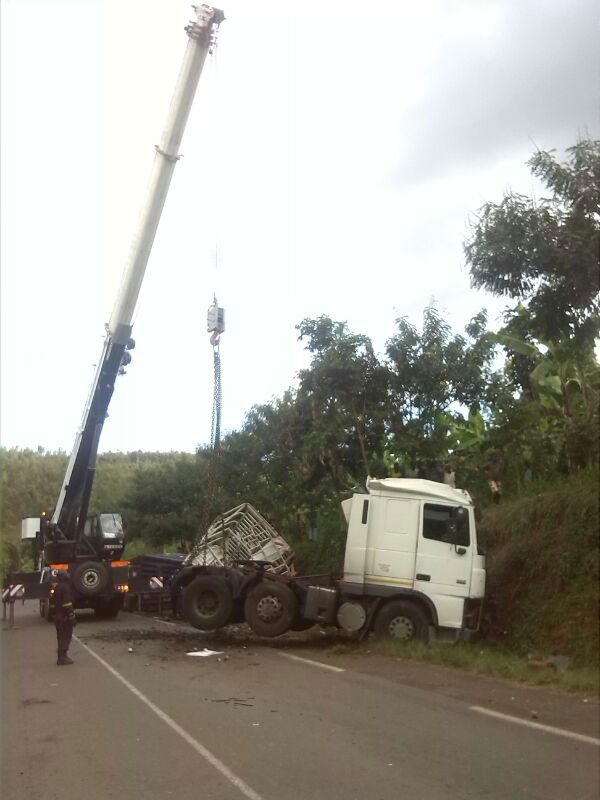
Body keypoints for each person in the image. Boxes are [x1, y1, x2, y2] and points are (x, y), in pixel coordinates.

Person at [53, 570, 76, 665]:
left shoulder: (57, 587)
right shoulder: (65, 587)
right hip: (64, 617)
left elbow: (53, 604)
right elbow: (67, 604)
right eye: (66, 575)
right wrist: (72, 616)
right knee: (65, 636)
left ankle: (62, 656)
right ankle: (62, 658)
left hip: (58, 616)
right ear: (63, 577)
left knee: (60, 636)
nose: (68, 576)